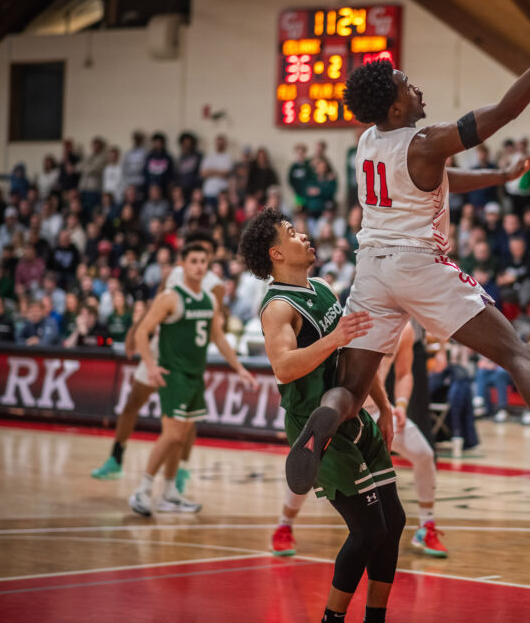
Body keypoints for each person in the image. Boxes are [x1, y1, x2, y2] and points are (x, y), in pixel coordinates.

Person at [285, 18, 530, 501]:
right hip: (419, 264)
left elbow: (438, 177)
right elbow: (505, 111)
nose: (415, 87)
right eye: (405, 84)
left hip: (372, 270)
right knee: (516, 353)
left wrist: (501, 174)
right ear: (396, 106)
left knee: (353, 390)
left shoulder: (369, 143)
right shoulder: (425, 141)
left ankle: (322, 423)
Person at [238, 209, 403, 622]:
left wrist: (383, 406)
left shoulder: (323, 287)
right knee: (368, 531)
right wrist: (334, 338)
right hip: (315, 422)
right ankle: (332, 618)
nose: (304, 236)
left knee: (394, 521)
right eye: (292, 234)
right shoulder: (276, 308)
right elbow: (284, 367)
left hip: (352, 409)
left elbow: (353, 357)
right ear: (276, 253)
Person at [270, 320, 450, 559]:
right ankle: (284, 525)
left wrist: (402, 405)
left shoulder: (404, 331)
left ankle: (426, 527)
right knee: (308, 466)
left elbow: (404, 374)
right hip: (340, 410)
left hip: (377, 410)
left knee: (424, 454)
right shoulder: (356, 318)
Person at [128, 243, 257, 516]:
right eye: (194, 261)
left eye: (203, 262)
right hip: (173, 374)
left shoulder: (210, 300)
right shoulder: (170, 298)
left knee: (182, 436)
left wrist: (239, 368)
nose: (199, 266)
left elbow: (218, 337)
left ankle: (169, 493)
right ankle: (142, 490)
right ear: (183, 265)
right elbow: (143, 332)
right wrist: (150, 366)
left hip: (195, 376)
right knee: (173, 433)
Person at [91, 231, 226, 483]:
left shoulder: (215, 286)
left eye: (204, 255)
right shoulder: (176, 274)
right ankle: (116, 458)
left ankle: (181, 470)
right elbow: (156, 305)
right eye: (194, 255)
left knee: (187, 421)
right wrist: (135, 329)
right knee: (133, 402)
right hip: (159, 347)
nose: (198, 261)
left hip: (186, 357)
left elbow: (214, 324)